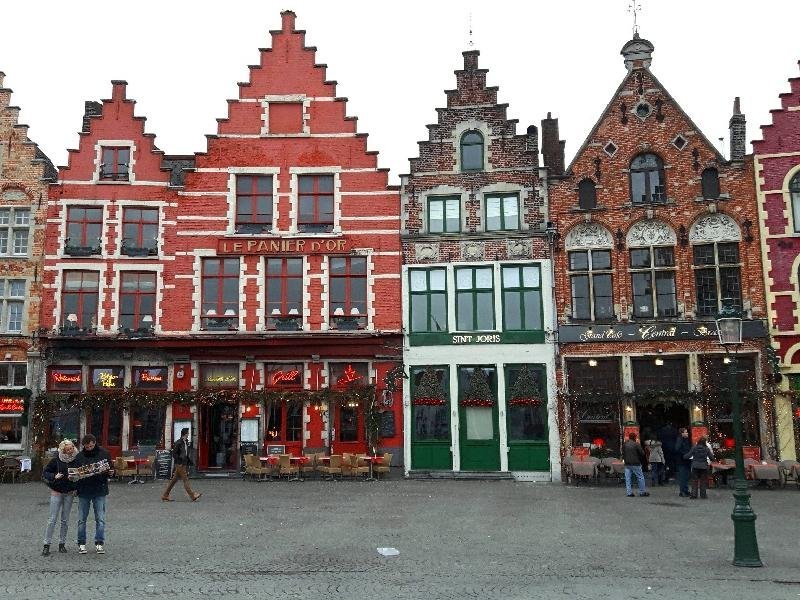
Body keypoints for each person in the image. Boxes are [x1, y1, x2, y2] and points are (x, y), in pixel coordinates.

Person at [72, 434, 113, 554]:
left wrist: (111, 472)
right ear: (83, 445)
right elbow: (75, 474)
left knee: (100, 519)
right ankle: (81, 543)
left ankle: (99, 543)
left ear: (95, 443)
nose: (89, 448)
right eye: (87, 446)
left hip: (99, 489)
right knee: (81, 519)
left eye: (91, 446)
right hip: (84, 490)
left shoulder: (104, 453)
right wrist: (74, 481)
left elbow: (111, 469)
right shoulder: (79, 456)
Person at [41, 440, 79, 556]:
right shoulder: (56, 460)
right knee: (52, 519)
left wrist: (77, 480)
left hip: (69, 492)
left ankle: (62, 544)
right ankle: (46, 544)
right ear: (62, 450)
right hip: (57, 491)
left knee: (65, 520)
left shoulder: (76, 460)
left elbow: (81, 474)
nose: (70, 451)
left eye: (71, 448)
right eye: (68, 449)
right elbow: (45, 473)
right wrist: (54, 476)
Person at [161, 428, 202, 502]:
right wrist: (179, 461)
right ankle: (192, 495)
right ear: (185, 434)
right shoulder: (178, 442)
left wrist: (187, 461)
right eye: (188, 433)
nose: (189, 434)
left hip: (183, 463)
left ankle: (165, 495)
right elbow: (174, 454)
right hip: (180, 464)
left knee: (174, 480)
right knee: (185, 480)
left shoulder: (185, 442)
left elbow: (185, 453)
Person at [622, 432, 649, 497]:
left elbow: (623, 452)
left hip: (627, 464)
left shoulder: (625, 444)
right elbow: (642, 453)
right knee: (640, 477)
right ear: (634, 437)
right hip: (635, 463)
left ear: (629, 437)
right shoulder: (636, 444)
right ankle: (642, 492)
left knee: (628, 478)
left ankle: (629, 493)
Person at [674, 428, 692, 497]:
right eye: (686, 432)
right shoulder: (680, 440)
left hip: (686, 460)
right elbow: (677, 449)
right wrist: (685, 454)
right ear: (682, 433)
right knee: (683, 476)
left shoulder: (686, 440)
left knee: (686, 476)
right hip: (682, 461)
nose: (687, 433)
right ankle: (682, 491)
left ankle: (685, 490)